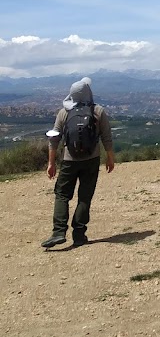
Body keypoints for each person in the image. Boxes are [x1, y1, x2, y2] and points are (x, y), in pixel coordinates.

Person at [41, 77, 115, 249]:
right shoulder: (98, 111)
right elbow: (106, 137)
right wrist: (110, 157)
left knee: (62, 195)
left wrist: (51, 163)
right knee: (85, 196)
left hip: (69, 160)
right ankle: (79, 234)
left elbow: (54, 139)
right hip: (92, 159)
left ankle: (59, 232)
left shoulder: (64, 113)